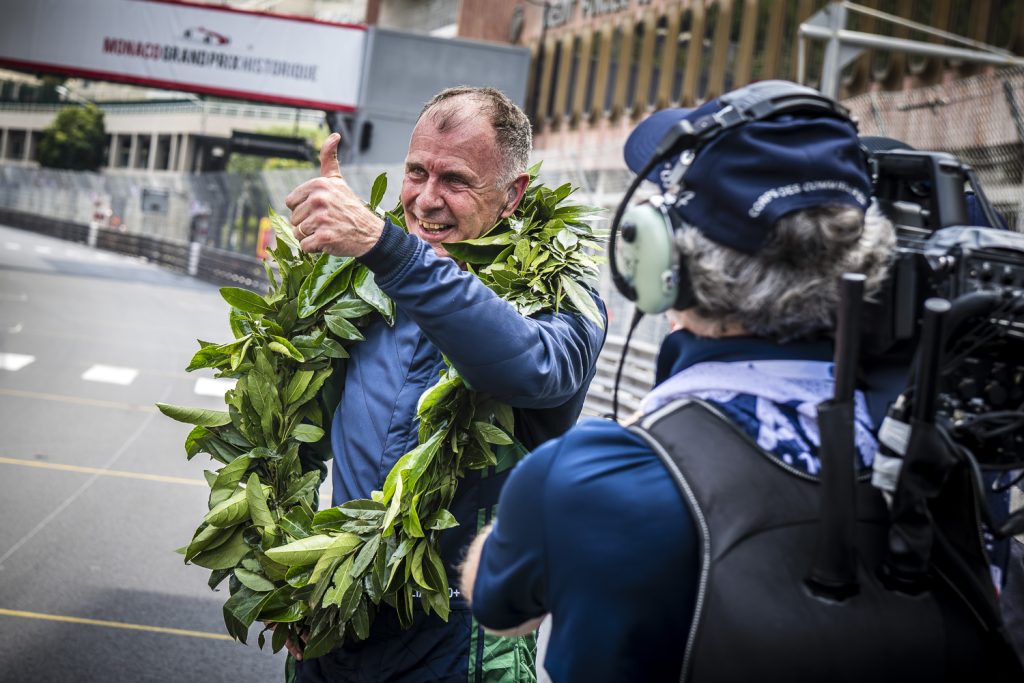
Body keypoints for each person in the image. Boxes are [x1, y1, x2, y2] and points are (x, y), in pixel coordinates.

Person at [462, 83, 1024, 682]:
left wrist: (535, 510)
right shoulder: (954, 456)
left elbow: (498, 606)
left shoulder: (595, 477)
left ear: (661, 263)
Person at [283, 86, 607, 682]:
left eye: (455, 180)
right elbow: (289, 439)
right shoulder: (355, 285)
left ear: (512, 195)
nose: (426, 200)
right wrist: (295, 574)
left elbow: (528, 366)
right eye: (415, 172)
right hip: (337, 627)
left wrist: (390, 250)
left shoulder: (567, 300)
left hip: (462, 646)